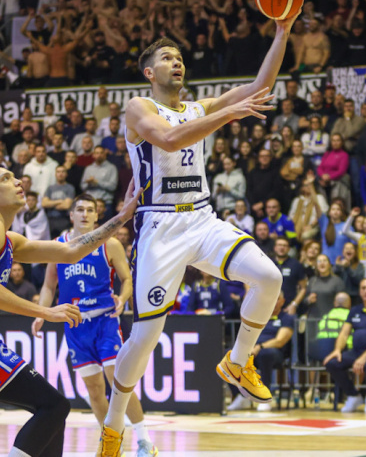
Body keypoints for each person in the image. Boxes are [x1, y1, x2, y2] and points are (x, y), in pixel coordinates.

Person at [99, 24, 296, 455]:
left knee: (269, 277)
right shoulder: (138, 106)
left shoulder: (197, 107)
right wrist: (227, 114)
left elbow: (261, 86)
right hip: (160, 228)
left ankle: (238, 361)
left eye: (179, 57)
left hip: (203, 220)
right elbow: (168, 140)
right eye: (167, 58)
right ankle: (114, 425)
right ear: (149, 72)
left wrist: (282, 31)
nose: (177, 62)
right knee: (145, 338)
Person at [0, 164, 139, 457]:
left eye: (16, 177)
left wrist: (121, 217)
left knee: (53, 410)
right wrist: (47, 312)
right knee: (53, 406)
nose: (18, 182)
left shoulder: (7, 238)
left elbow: (70, 251)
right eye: (6, 178)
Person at [33, 193, 157, 457]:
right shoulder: (58, 245)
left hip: (105, 321)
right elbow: (48, 285)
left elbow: (127, 279)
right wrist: (41, 313)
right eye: (80, 209)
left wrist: (123, 298)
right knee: (94, 389)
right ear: (72, 215)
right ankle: (110, 441)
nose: (85, 214)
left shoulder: (110, 245)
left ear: (97, 216)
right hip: (75, 325)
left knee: (118, 381)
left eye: (90, 209)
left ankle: (145, 439)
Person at [324, 278, 366, 413]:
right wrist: (337, 350)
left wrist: (364, 357)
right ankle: (353, 395)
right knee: (332, 363)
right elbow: (344, 333)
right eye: (363, 288)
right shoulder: (355, 310)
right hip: (356, 351)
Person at [226, 291, 294, 412]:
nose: (273, 301)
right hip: (252, 352)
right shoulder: (257, 317)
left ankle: (264, 396)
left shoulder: (287, 318)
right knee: (229, 354)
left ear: (282, 301)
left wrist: (260, 347)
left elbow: (280, 341)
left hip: (275, 353)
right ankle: (241, 396)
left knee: (265, 354)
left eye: (277, 299)